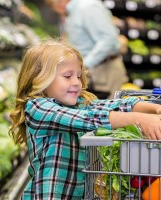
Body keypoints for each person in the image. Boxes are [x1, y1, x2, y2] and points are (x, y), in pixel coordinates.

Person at [9, 39, 161, 200]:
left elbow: (114, 105)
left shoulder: (78, 104)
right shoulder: (38, 108)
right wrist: (140, 120)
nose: (76, 82)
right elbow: (88, 119)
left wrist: (154, 108)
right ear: (40, 79)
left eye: (79, 76)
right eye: (67, 76)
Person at [45, 0, 128, 99]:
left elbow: (108, 40)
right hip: (90, 71)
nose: (56, 10)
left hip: (104, 69)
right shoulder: (72, 11)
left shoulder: (88, 6)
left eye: (53, 5)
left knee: (106, 110)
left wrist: (83, 66)